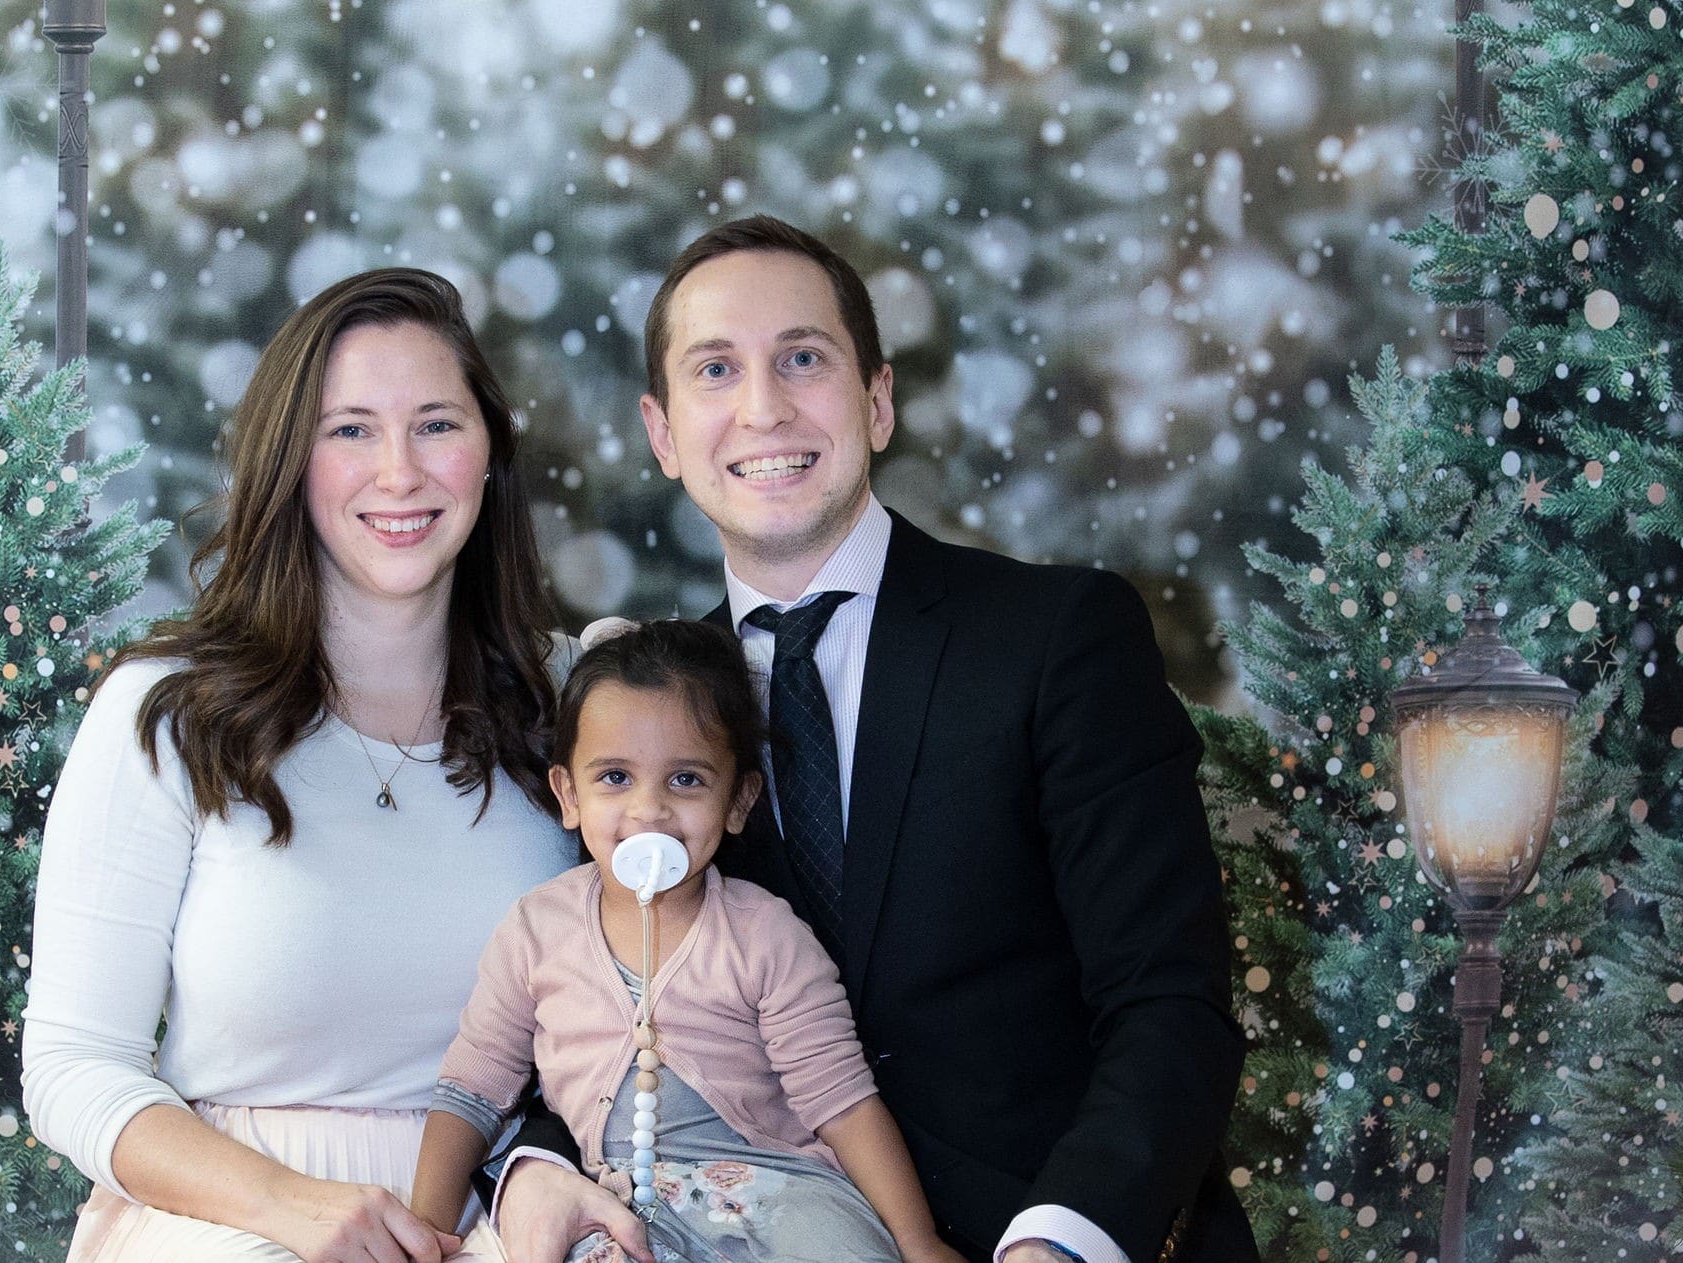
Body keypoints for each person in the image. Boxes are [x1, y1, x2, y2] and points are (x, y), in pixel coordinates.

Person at [493, 217, 1257, 1263]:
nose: (763, 408)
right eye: (716, 370)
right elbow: (584, 989)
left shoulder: (1054, 639)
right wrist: (532, 1162)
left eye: (802, 359)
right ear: (664, 434)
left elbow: (1169, 1005)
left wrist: (1057, 1242)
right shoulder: (636, 716)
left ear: (877, 400)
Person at [22, 267, 579, 1263]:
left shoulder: (569, 707)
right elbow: (72, 1065)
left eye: (438, 425)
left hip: (500, 1216)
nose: (400, 473)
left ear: (490, 455)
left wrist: (539, 1184)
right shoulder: (169, 714)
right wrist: (292, 1209)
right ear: (290, 461)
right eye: (351, 430)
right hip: (229, 1222)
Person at [410, 619, 971, 1263]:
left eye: (686, 780)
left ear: (738, 800)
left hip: (779, 1198)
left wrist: (918, 1241)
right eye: (615, 777)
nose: (649, 810)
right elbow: (472, 1090)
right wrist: (427, 1228)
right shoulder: (536, 930)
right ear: (568, 793)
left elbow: (843, 1102)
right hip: (616, 1206)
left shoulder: (765, 936)